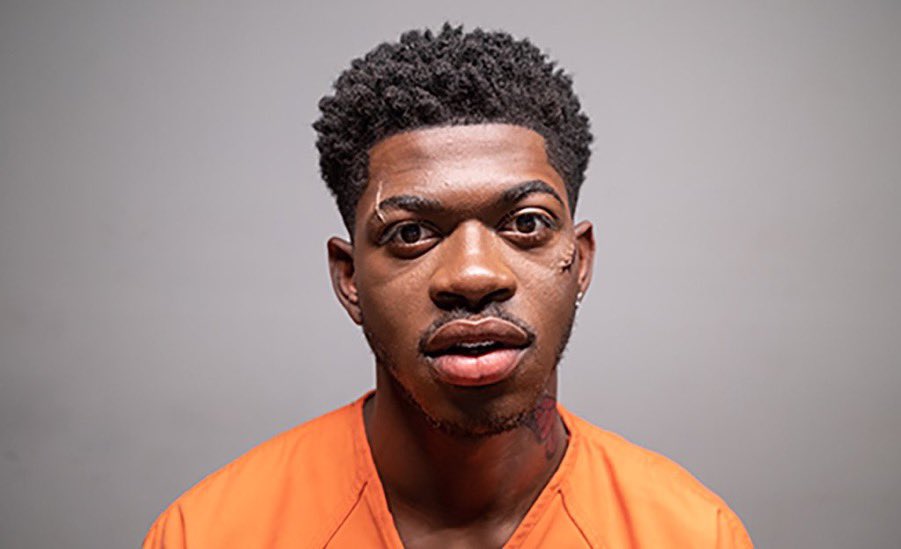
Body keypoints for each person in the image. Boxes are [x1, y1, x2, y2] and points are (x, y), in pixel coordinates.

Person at [144, 24, 752, 548]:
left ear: (581, 260)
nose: (473, 275)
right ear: (349, 278)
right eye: (411, 233)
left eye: (526, 225)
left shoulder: (693, 535)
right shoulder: (209, 534)